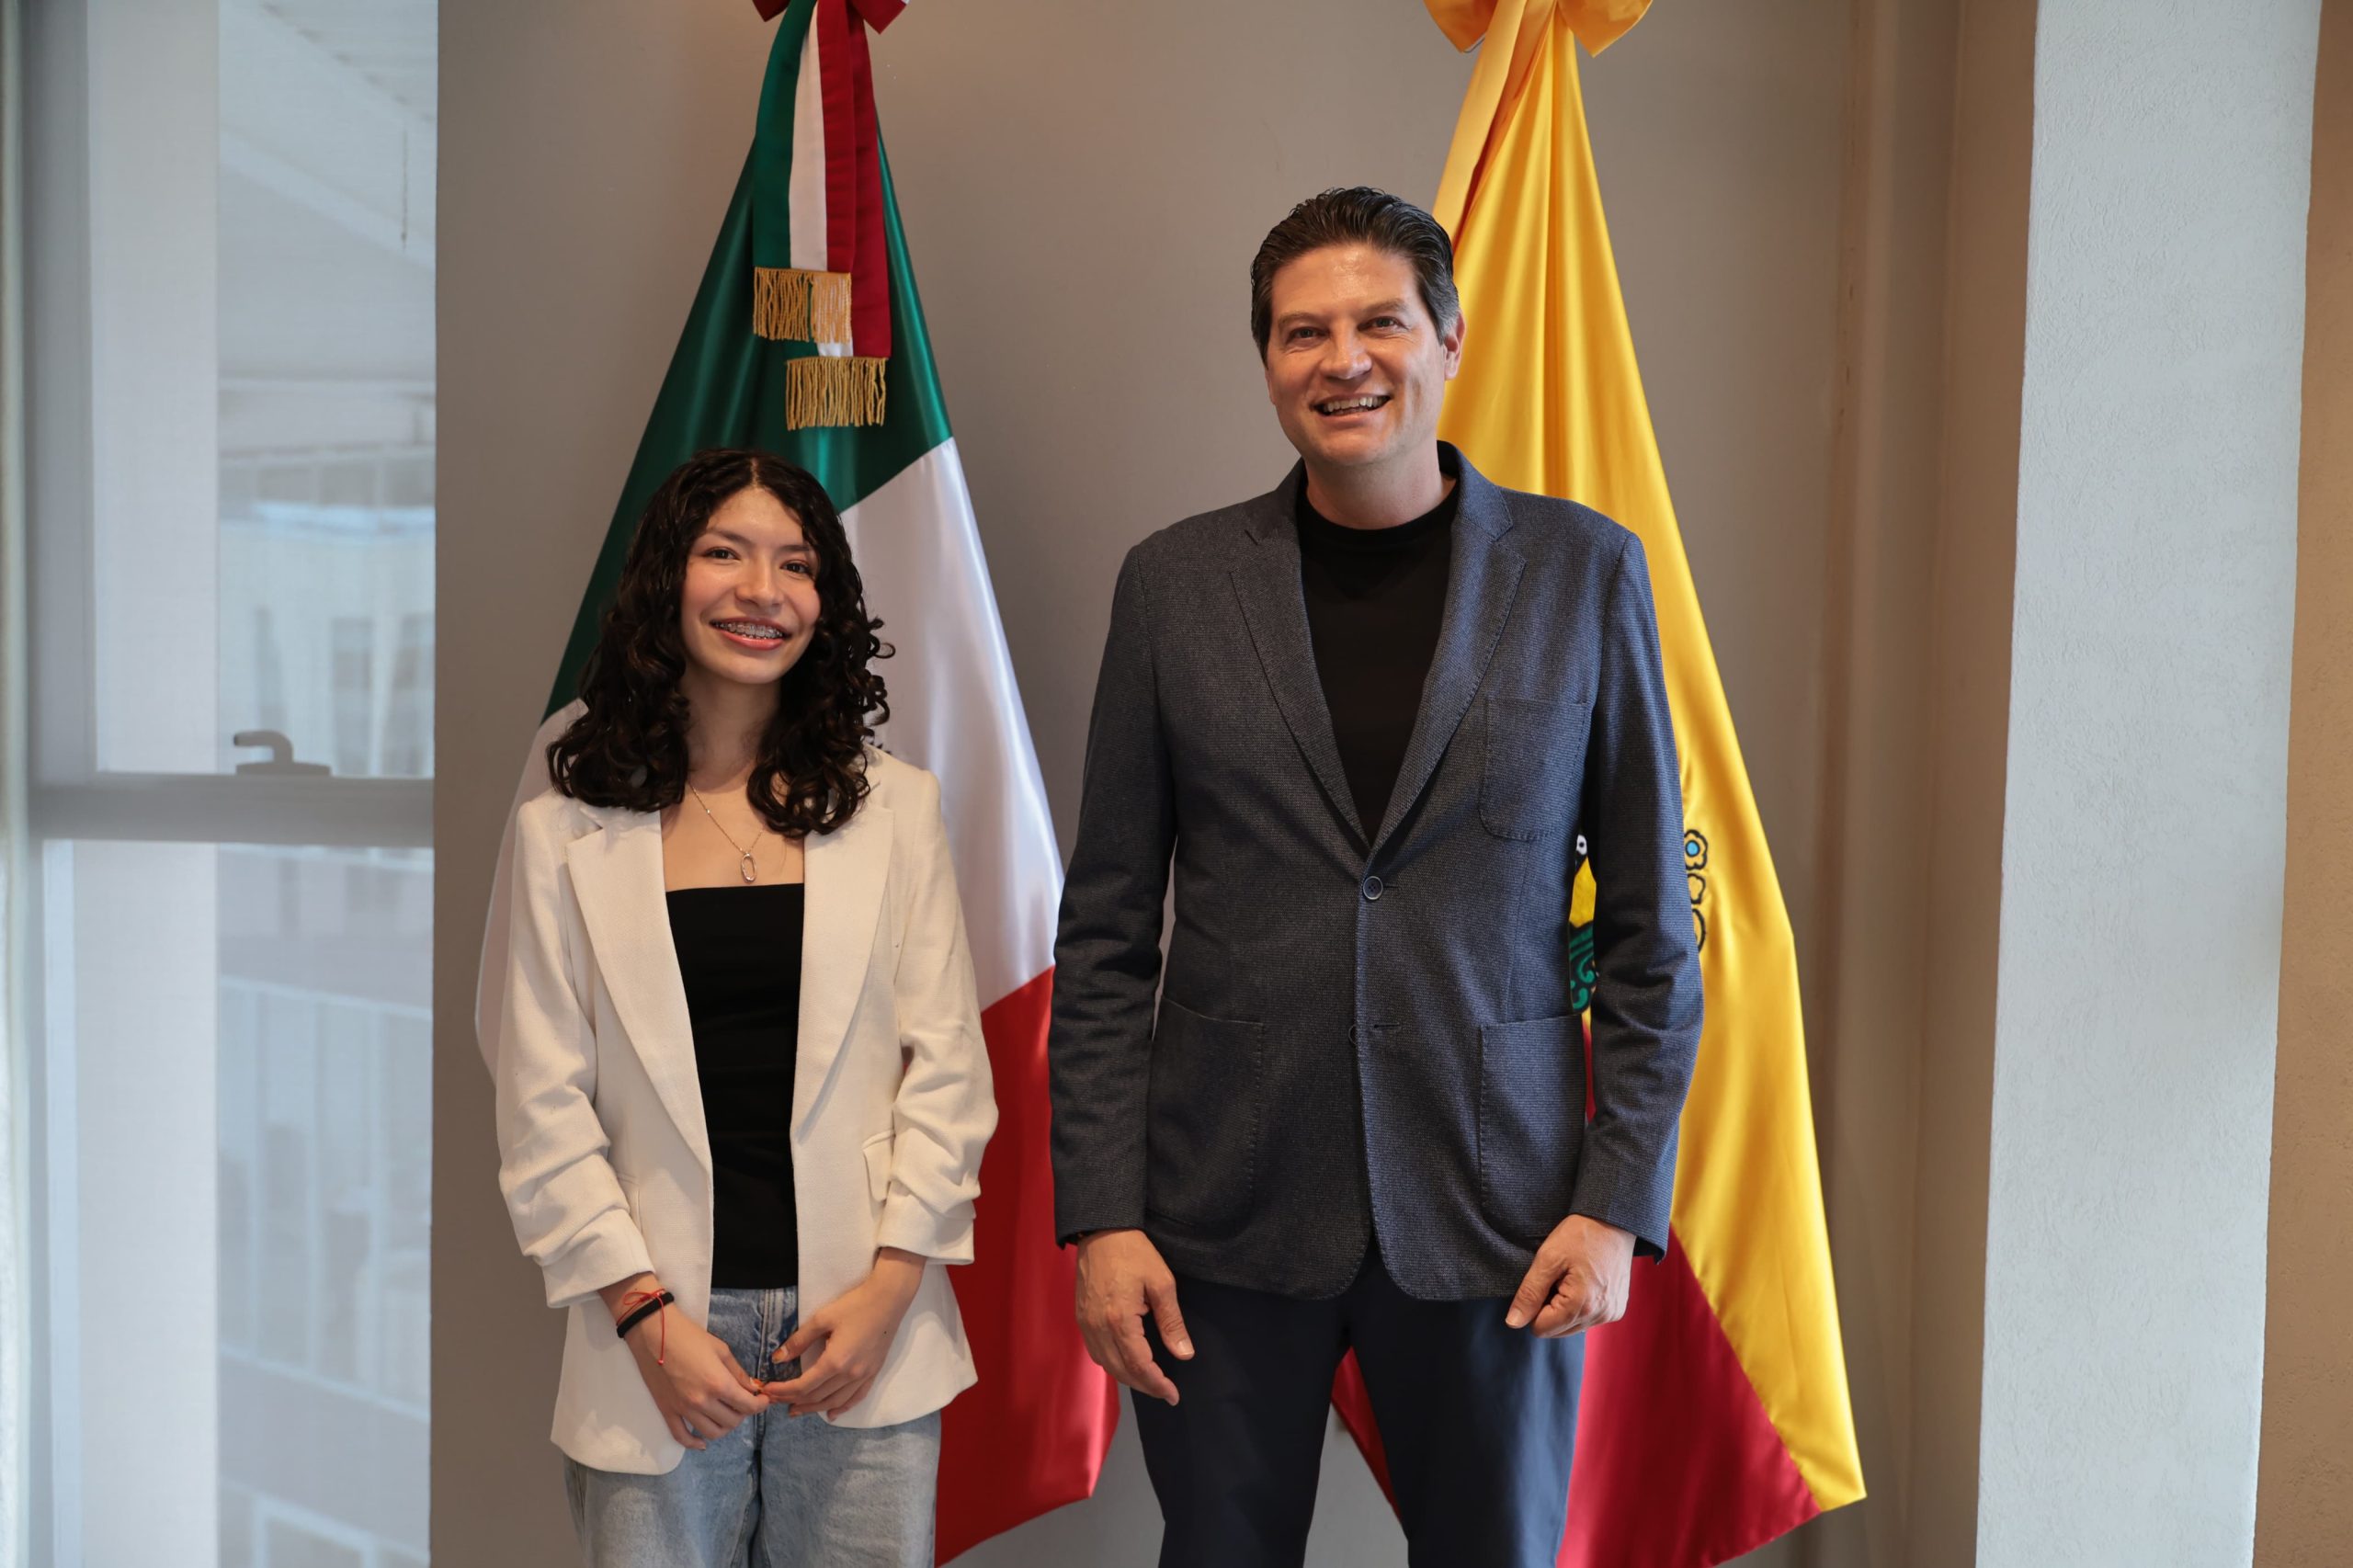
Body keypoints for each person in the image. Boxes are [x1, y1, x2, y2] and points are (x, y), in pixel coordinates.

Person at [1048, 187, 1704, 1567]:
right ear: (1267, 361)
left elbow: (1652, 933)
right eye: (1303, 332)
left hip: (1503, 1213)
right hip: (1221, 1212)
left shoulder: (1585, 572)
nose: (1342, 358)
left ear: (1447, 339)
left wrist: (1614, 1201)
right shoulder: (1173, 586)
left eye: (1379, 322)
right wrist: (1102, 1213)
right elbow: (1104, 932)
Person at [481, 448, 996, 1567]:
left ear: (827, 601)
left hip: (858, 1325)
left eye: (796, 564)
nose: (763, 590)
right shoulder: (560, 831)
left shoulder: (897, 809)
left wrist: (892, 1287)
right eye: (725, 553)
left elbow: (950, 1070)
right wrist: (645, 1316)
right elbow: (539, 1101)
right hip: (655, 1335)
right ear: (667, 577)